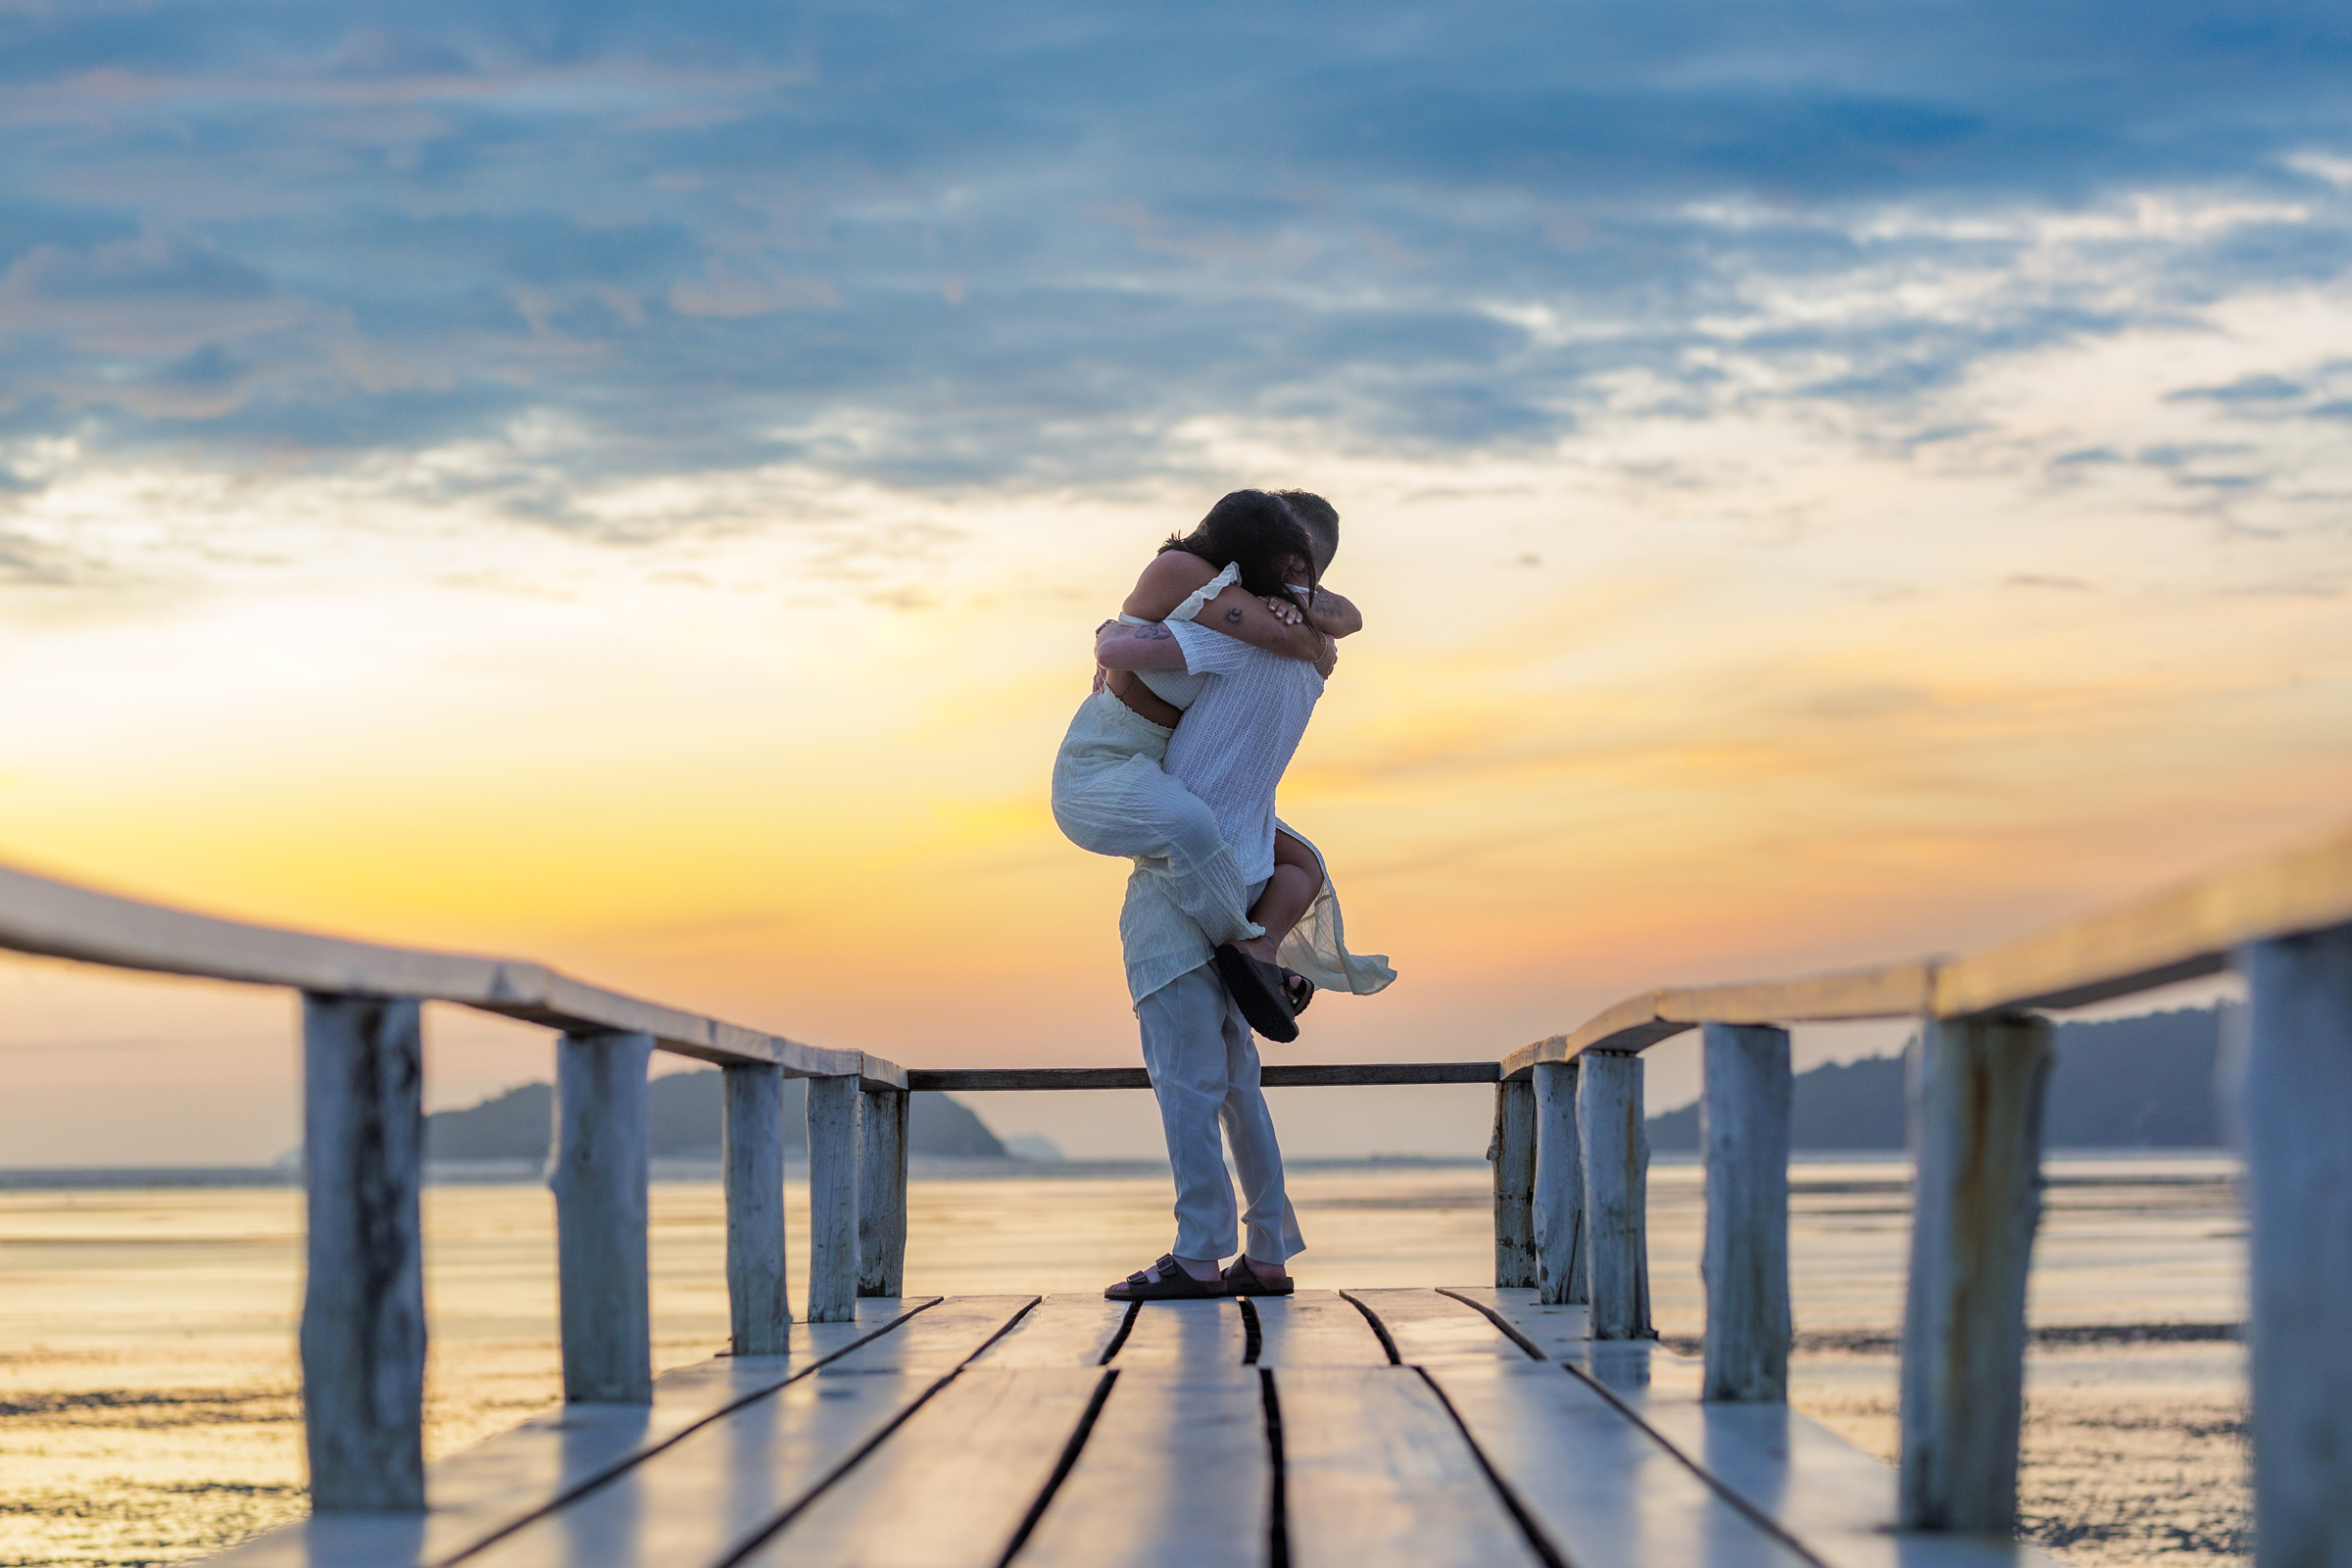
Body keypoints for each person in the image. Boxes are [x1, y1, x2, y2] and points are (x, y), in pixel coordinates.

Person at [1071, 489, 1395, 1300]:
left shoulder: (1221, 637)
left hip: (1182, 879)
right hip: (1248, 860)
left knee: (1184, 1080)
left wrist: (1112, 646)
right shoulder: (1313, 662)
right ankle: (1269, 1252)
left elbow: (1121, 650)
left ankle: (1197, 1255)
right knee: (1237, 1083)